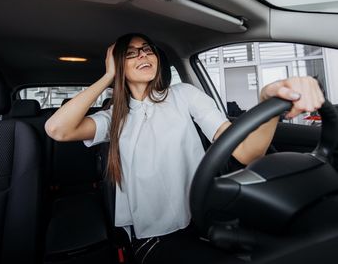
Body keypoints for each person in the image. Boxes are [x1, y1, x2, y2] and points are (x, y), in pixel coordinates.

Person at [45, 33, 325, 263]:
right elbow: (58, 129)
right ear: (119, 65)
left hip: (204, 217)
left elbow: (246, 153)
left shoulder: (184, 95)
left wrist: (269, 103)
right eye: (131, 53)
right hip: (154, 237)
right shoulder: (113, 117)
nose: (143, 55)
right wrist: (108, 76)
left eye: (147, 50)